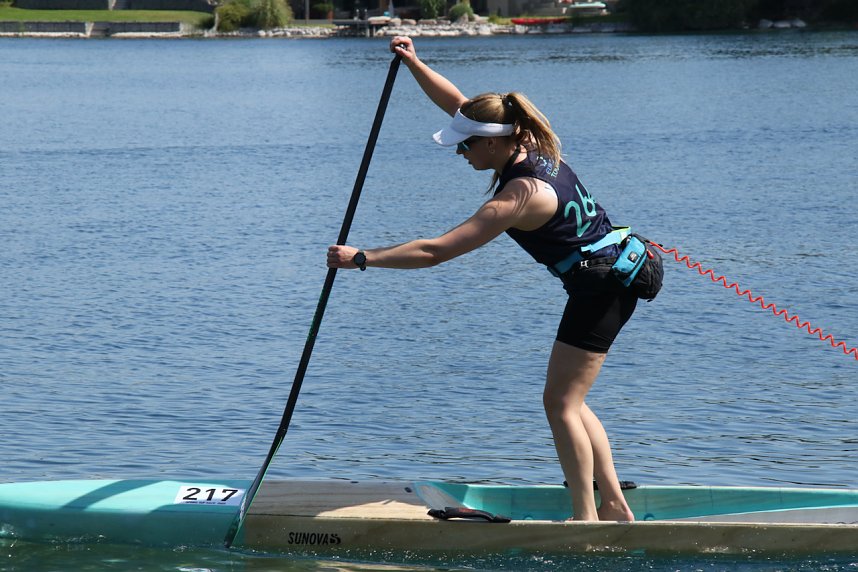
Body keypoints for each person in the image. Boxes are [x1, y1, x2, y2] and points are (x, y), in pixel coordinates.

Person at [327, 36, 636, 522]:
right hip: (609, 277)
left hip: (601, 288)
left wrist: (362, 258)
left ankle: (586, 520)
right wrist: (414, 63)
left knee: (560, 403)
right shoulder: (527, 140)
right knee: (570, 400)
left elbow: (435, 251)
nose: (459, 152)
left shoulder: (517, 197)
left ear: (492, 141)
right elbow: (458, 103)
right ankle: (613, 505)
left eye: (465, 144)